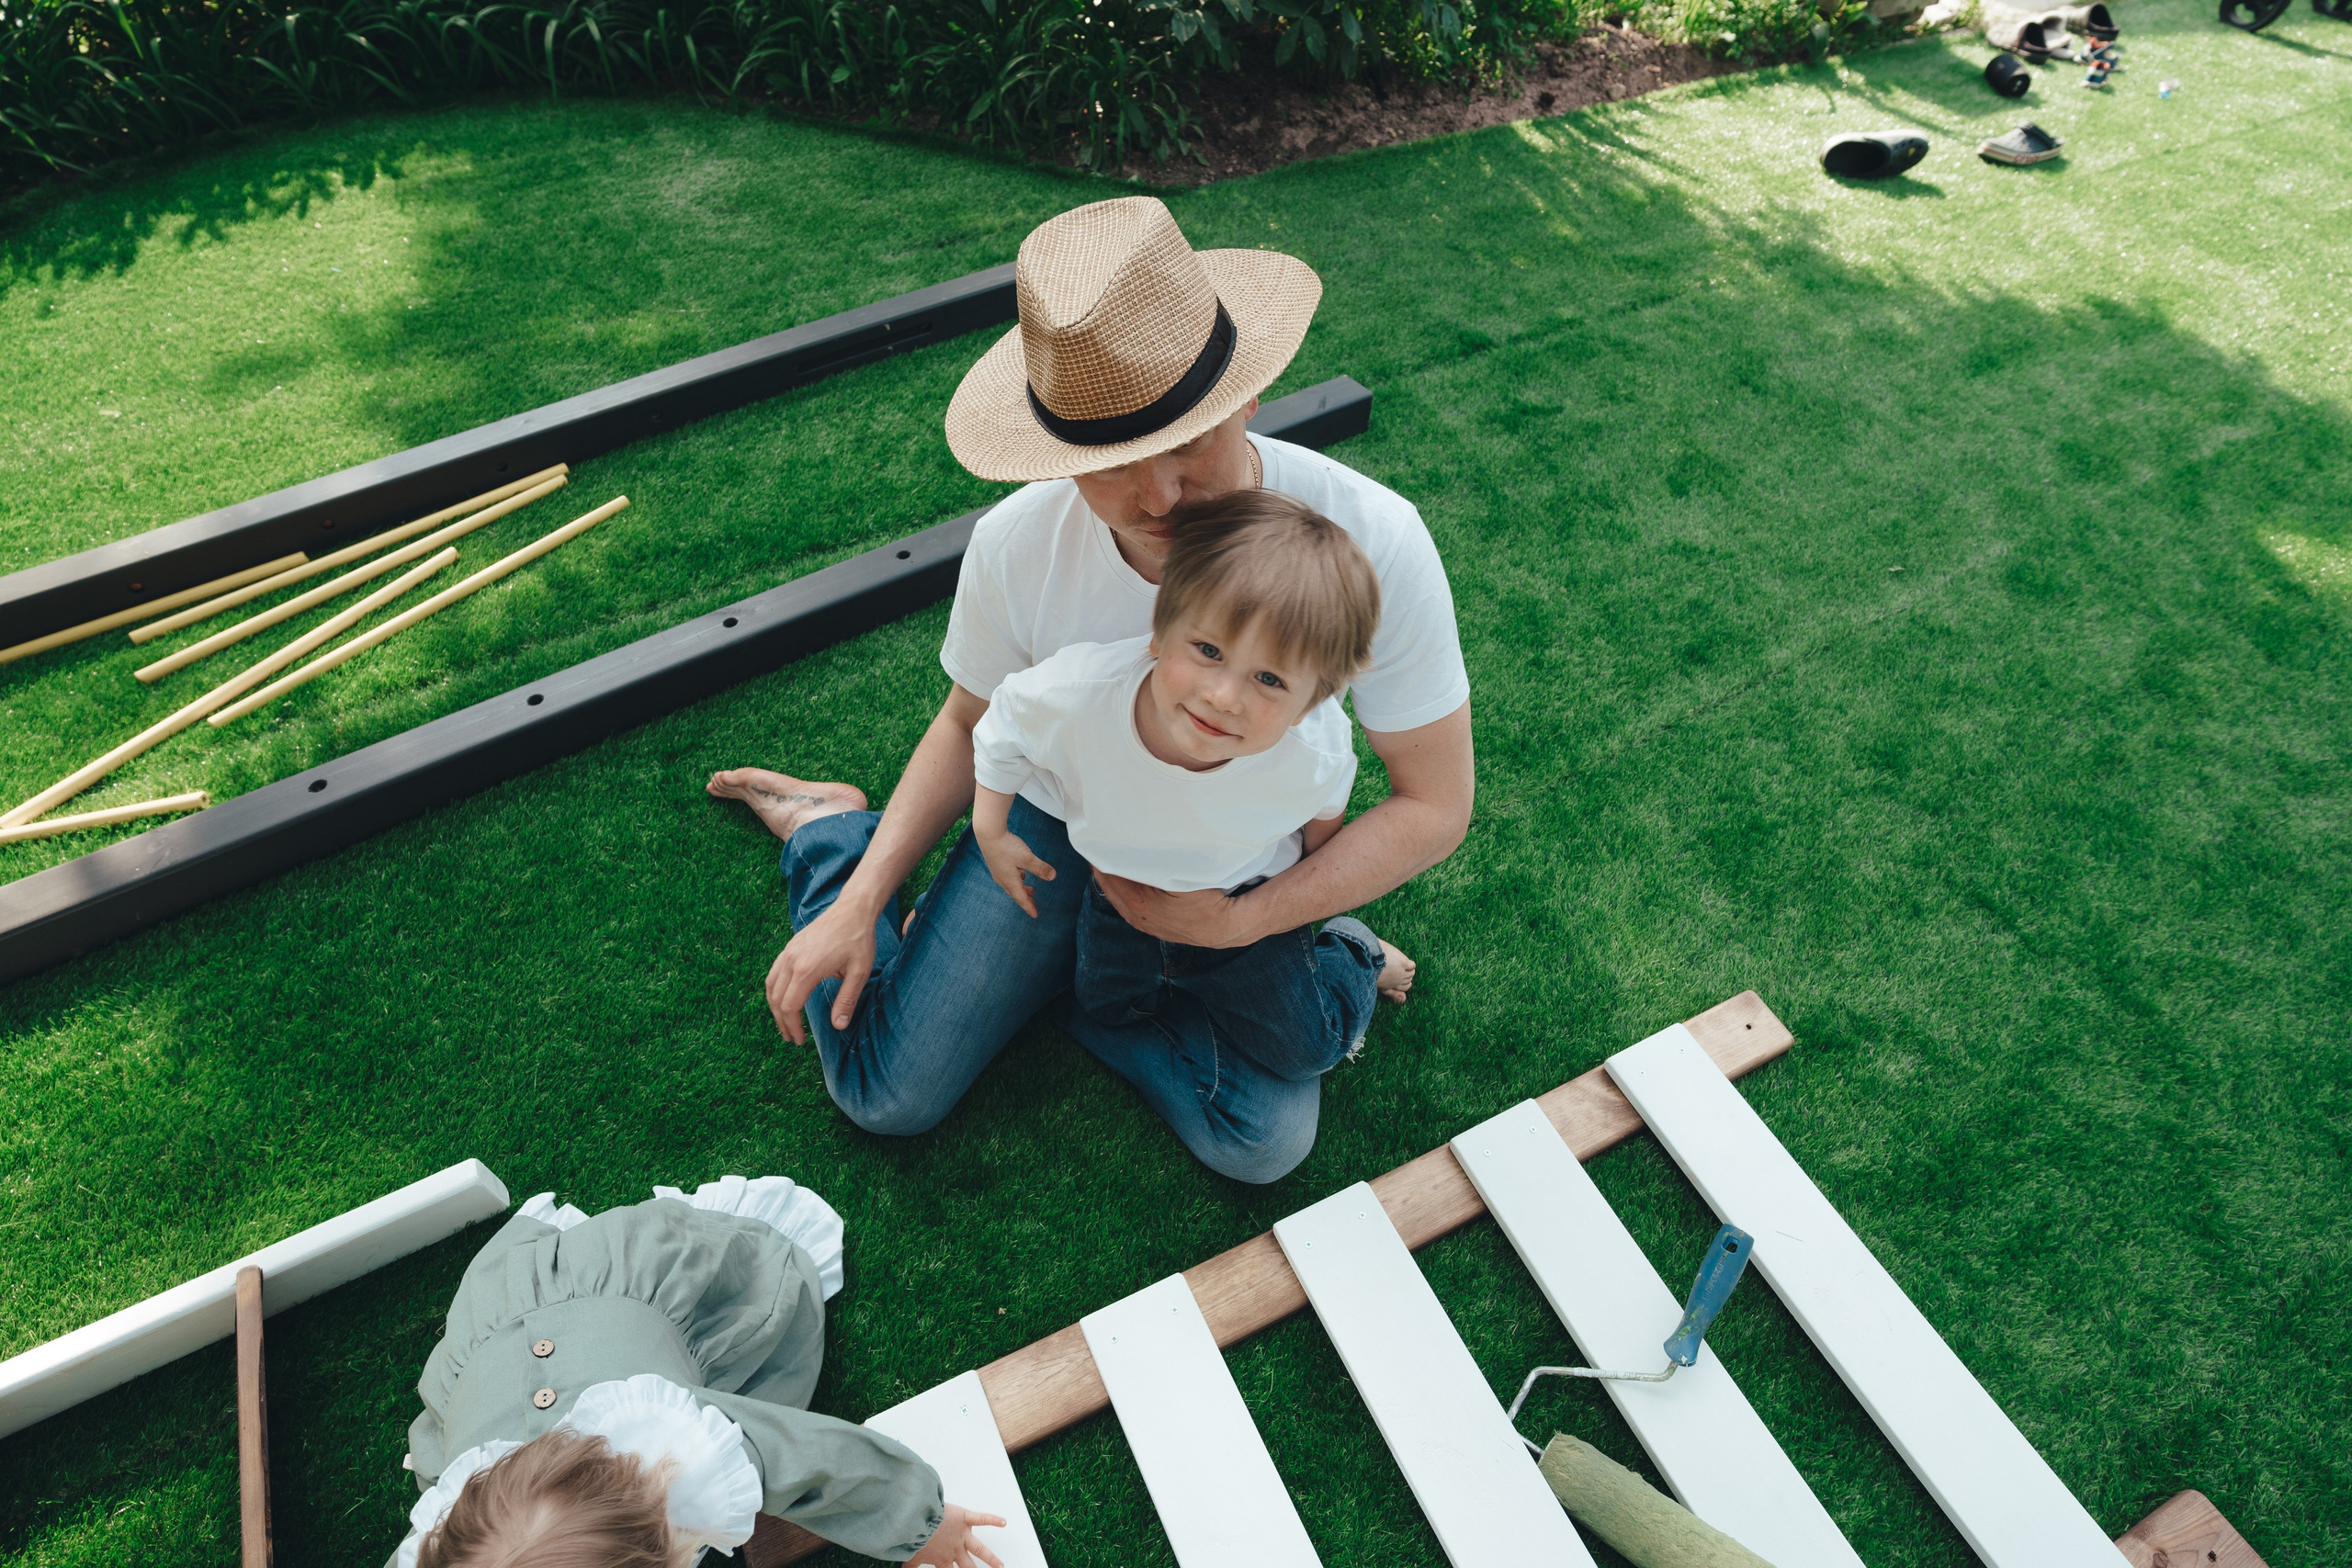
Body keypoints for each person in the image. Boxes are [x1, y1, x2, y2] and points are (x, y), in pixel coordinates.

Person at [710, 194, 1473, 1183]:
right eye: (1110, 463)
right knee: (885, 1094)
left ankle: (1121, 973)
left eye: (1186, 442)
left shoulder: (1371, 540)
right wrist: (863, 897)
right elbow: (964, 722)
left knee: (1263, 1143)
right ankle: (827, 828)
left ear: (1245, 399)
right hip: (1049, 820)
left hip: (1225, 856)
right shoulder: (1018, 542)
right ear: (1060, 454)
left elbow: (1432, 803)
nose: (1156, 499)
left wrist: (1252, 917)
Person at [971, 490, 1416, 1093]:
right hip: (1120, 898)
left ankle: (1354, 954)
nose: (1223, 696)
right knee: (1105, 1006)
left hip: (1247, 907)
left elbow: (1325, 808)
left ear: (1307, 703)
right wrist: (989, 828)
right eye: (1207, 650)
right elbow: (1004, 723)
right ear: (1160, 630)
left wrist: (1297, 900)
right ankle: (1182, 987)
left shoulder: (1315, 748)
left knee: (1306, 1049)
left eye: (1268, 678)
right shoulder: (1077, 694)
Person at [387, 1176, 1005, 1568]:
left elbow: (809, 1456)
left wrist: (921, 1523)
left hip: (620, 1294)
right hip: (491, 1352)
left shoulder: (676, 1446)